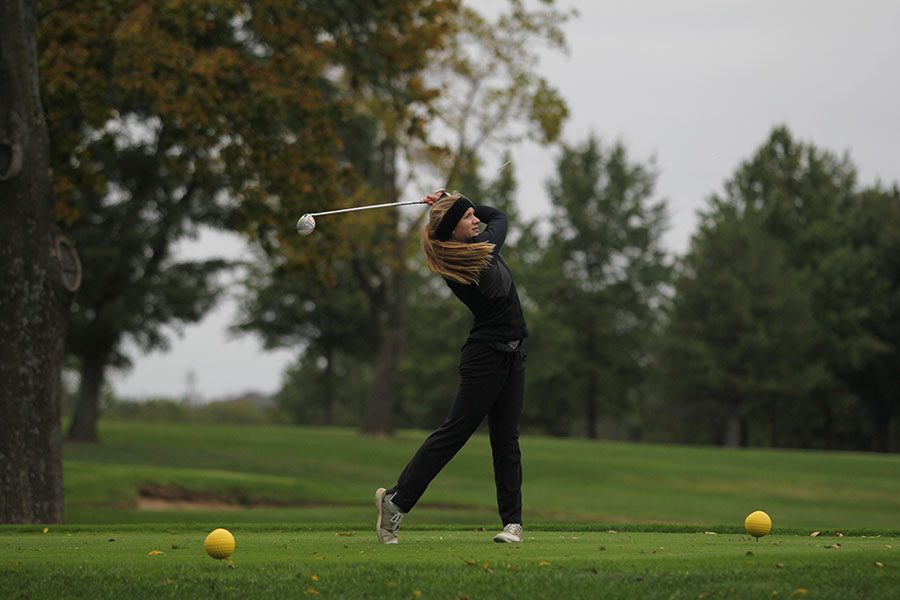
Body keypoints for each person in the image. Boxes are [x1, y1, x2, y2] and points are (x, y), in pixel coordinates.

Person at [375, 189, 528, 544]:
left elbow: (488, 218)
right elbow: (500, 215)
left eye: (475, 215)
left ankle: (512, 523)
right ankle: (395, 502)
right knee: (454, 433)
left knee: (507, 439)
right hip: (486, 358)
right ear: (454, 232)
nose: (477, 220)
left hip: (512, 353)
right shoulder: (476, 256)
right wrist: (456, 197)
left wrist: (455, 201)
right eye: (468, 218)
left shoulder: (464, 245)